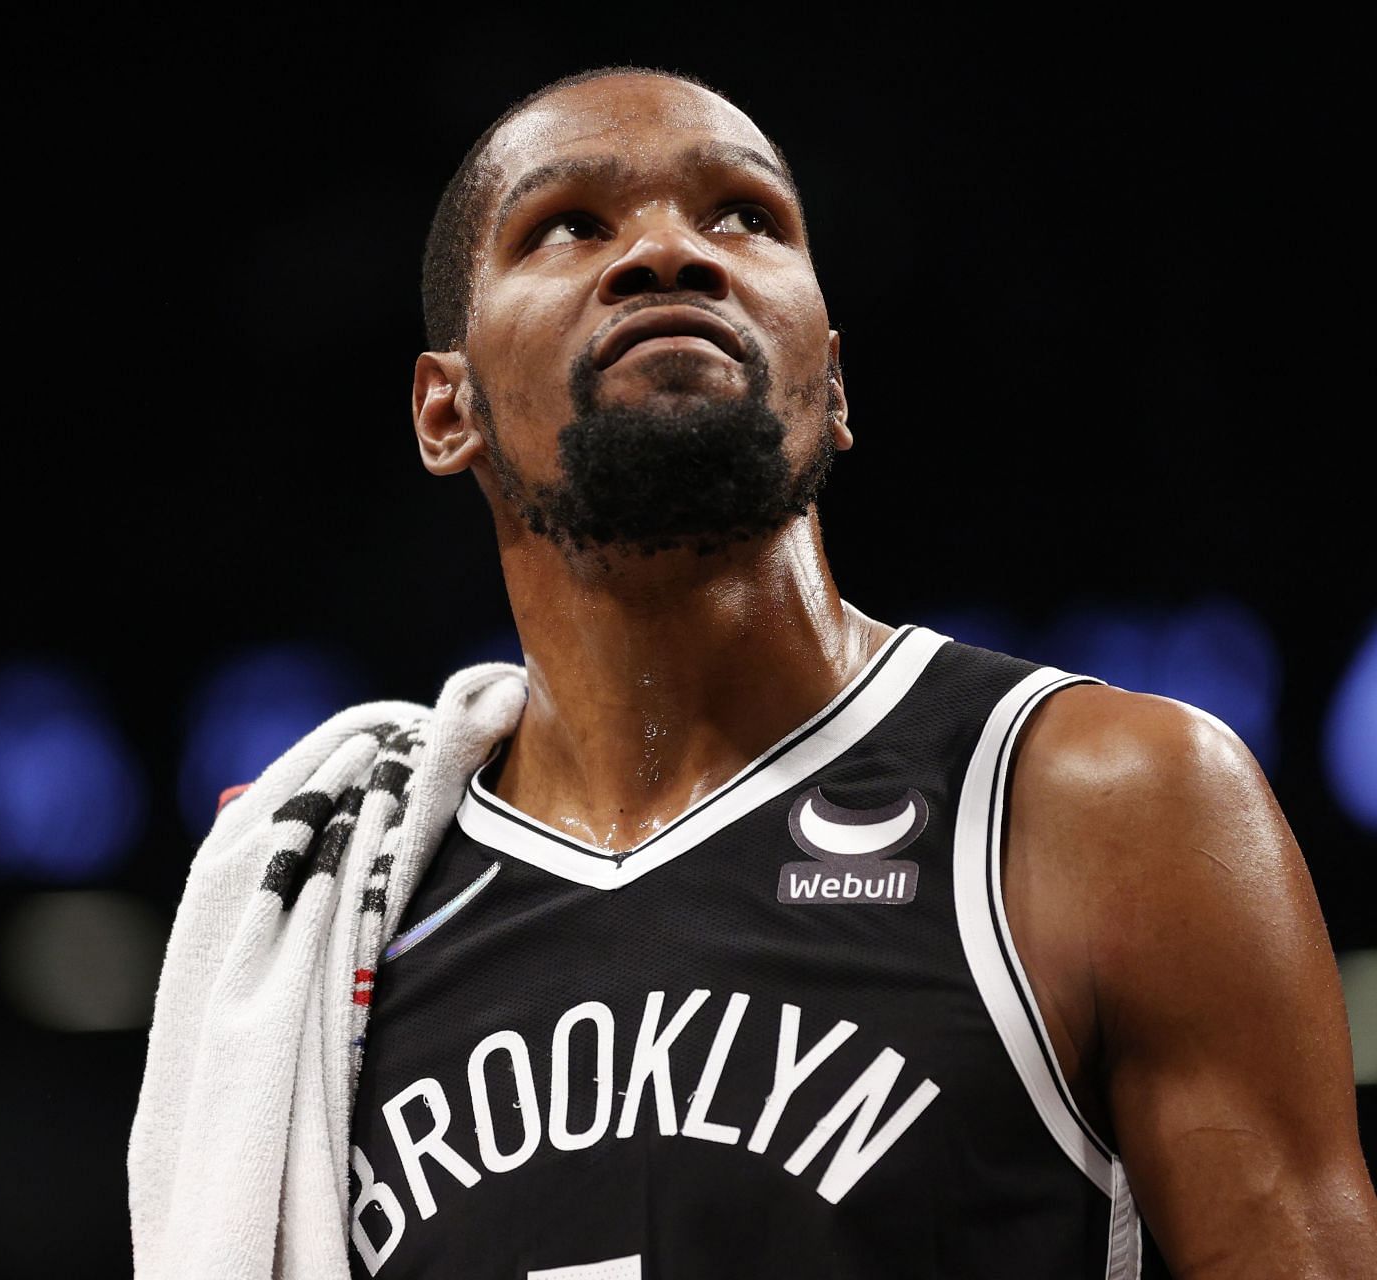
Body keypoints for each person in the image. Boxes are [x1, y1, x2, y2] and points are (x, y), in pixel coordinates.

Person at [130, 66, 1377, 1279]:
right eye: (567, 225)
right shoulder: (344, 913)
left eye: (742, 215)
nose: (669, 251)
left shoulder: (1106, 801)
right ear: (443, 411)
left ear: (831, 381)